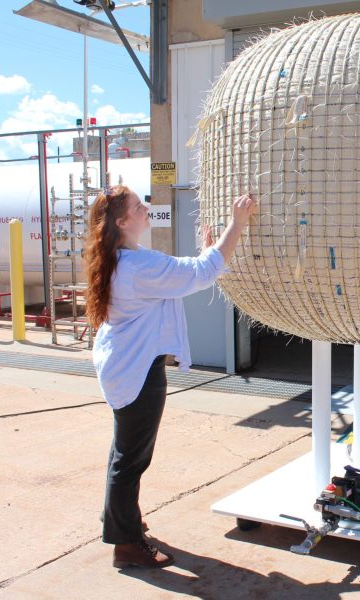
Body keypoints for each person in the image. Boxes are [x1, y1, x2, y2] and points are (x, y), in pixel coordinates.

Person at [84, 185, 256, 568]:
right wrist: (237, 224)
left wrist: (210, 250)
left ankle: (118, 518)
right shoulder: (135, 266)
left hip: (124, 366)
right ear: (122, 221)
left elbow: (184, 274)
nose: (146, 208)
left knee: (123, 453)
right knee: (131, 460)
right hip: (138, 371)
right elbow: (201, 273)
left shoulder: (124, 259)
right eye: (138, 206)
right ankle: (126, 545)